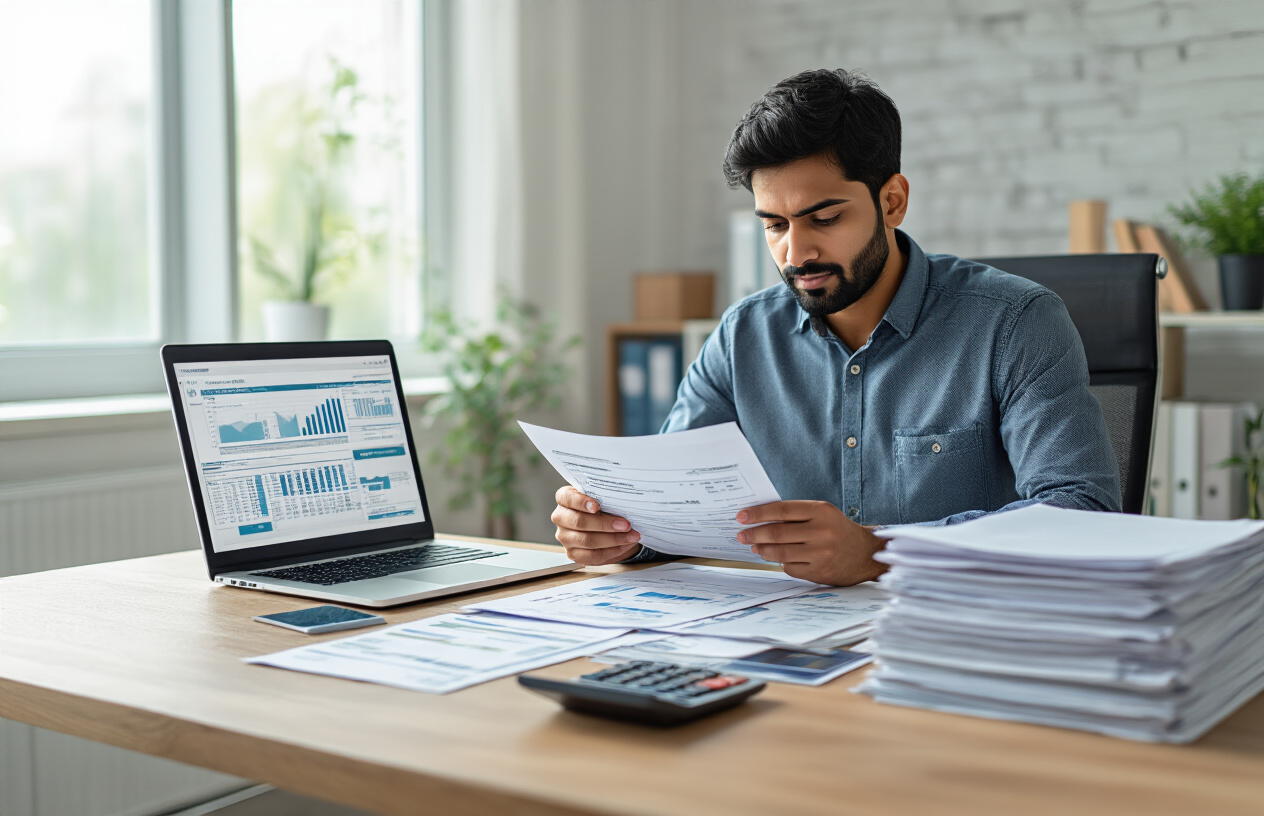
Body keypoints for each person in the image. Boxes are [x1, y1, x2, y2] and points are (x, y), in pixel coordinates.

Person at [551, 68, 1121, 586]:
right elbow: (672, 507)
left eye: (824, 218)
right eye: (775, 225)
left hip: (957, 631)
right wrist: (622, 533)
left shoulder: (1015, 322)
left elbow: (1083, 511)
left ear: (892, 202)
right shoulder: (742, 336)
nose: (796, 253)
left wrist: (881, 552)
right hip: (784, 635)